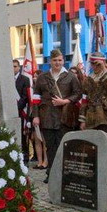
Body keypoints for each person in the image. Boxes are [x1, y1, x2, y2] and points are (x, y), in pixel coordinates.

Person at [32, 49, 82, 183]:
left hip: (64, 117)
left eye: (60, 60)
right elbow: (36, 98)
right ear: (50, 61)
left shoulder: (71, 76)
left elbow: (78, 94)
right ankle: (51, 173)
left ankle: (64, 174)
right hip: (46, 116)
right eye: (55, 60)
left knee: (63, 146)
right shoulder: (42, 77)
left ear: (63, 61)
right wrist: (35, 116)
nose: (57, 63)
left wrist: (65, 101)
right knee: (50, 147)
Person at [79, 52, 107, 177]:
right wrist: (82, 119)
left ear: (103, 63)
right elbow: (84, 99)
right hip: (91, 115)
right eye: (92, 64)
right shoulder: (88, 79)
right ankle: (95, 167)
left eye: (97, 64)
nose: (95, 66)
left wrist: (104, 71)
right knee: (92, 143)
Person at [12, 59, 31, 163]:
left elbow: (25, 97)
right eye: (11, 66)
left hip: (21, 111)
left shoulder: (24, 79)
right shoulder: (6, 79)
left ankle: (25, 156)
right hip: (10, 111)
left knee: (23, 135)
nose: (13, 68)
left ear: (19, 67)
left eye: (15, 66)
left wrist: (16, 108)